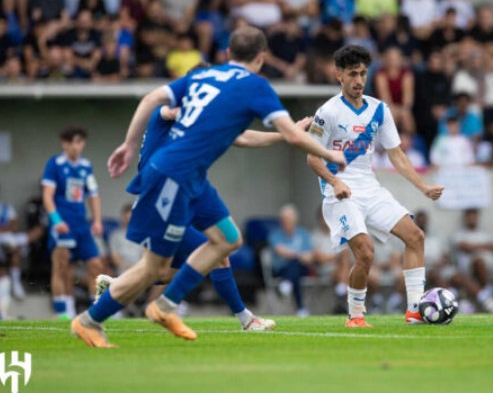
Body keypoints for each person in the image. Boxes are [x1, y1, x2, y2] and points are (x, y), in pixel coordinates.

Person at [71, 27, 347, 347]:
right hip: (169, 181)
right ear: (262, 58)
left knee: (227, 240)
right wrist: (327, 152)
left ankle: (170, 305)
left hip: (192, 182)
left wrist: (129, 145)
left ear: (228, 55)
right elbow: (164, 108)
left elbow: (239, 137)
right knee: (158, 268)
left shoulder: (208, 83)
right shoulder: (241, 86)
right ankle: (98, 317)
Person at [306, 44, 444, 327]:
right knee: (366, 253)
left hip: (370, 188)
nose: (358, 80)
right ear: (339, 76)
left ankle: (415, 310)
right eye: (352, 74)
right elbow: (312, 159)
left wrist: (423, 186)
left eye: (362, 74)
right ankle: (355, 315)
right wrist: (334, 182)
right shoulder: (327, 112)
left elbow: (397, 155)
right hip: (339, 193)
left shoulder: (379, 110)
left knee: (415, 237)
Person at [42, 126, 105, 319]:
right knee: (62, 267)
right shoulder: (55, 164)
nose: (76, 147)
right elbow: (47, 195)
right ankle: (64, 313)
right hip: (63, 224)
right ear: (65, 143)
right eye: (72, 142)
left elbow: (93, 195)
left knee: (96, 265)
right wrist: (56, 220)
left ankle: (97, 310)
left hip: (81, 225)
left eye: (80, 142)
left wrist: (97, 220)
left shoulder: (86, 166)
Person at [451, 208, 493, 309]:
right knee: (479, 260)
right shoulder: (460, 233)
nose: (472, 219)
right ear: (466, 218)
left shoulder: (487, 232)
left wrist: (475, 247)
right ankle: (488, 290)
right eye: (470, 216)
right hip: (471, 270)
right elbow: (465, 247)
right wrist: (485, 246)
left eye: (474, 216)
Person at [268, 204, 314, 317]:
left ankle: (286, 284)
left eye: (289, 220)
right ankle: (300, 308)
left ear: (295, 220)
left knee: (295, 267)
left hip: (301, 268)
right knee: (294, 269)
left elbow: (310, 257)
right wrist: (299, 255)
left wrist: (295, 255)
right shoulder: (275, 235)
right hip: (281, 269)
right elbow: (281, 251)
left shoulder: (303, 234)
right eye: (284, 220)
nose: (286, 223)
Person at [108, 204, 144, 276]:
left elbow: (144, 256)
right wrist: (126, 268)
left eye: (131, 218)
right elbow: (114, 257)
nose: (128, 220)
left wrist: (138, 268)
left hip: (141, 268)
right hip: (123, 269)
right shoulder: (115, 235)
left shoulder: (143, 235)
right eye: (126, 217)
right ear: (122, 217)